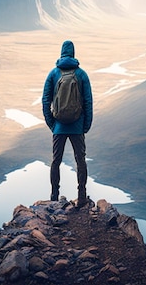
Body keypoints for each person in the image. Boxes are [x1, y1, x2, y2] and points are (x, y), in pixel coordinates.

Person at [42, 40, 93, 206]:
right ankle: (82, 196)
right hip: (77, 126)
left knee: (56, 161)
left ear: (61, 52)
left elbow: (45, 100)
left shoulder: (53, 73)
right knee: (80, 161)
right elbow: (88, 101)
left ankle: (54, 196)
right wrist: (85, 125)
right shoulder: (82, 74)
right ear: (73, 53)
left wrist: (52, 124)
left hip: (59, 126)